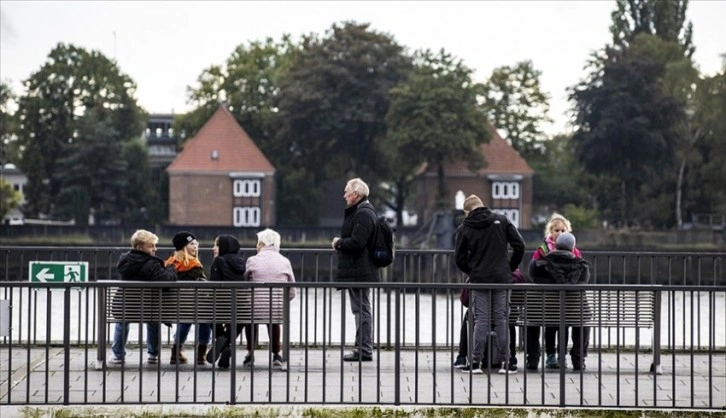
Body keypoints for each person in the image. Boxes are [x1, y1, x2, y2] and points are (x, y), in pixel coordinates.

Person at [454, 194, 525, 374]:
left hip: (479, 280)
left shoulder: (465, 227)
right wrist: (510, 266)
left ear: (468, 211)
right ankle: (507, 363)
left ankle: (475, 363)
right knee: (501, 320)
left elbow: (459, 258)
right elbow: (520, 245)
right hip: (502, 279)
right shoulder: (502, 220)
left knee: (481, 320)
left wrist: (472, 270)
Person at [526, 231, 591, 371]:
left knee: (531, 319)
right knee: (583, 317)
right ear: (573, 248)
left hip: (542, 314)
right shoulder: (582, 267)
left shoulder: (537, 265)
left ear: (555, 246)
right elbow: (584, 284)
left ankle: (532, 358)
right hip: (571, 315)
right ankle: (578, 359)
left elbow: (531, 278)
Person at [111, 229, 177, 365]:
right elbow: (166, 282)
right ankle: (153, 354)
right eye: (151, 246)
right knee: (153, 320)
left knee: (122, 321)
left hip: (125, 308)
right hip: (148, 308)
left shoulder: (125, 261)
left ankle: (118, 355)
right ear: (140, 248)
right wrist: (170, 267)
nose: (155, 249)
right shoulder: (151, 264)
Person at [332, 178, 380, 362]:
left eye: (347, 192)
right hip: (360, 269)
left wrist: (338, 243)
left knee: (361, 310)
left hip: (360, 270)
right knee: (361, 309)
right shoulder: (363, 211)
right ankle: (362, 347)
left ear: (356, 194)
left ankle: (364, 349)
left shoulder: (363, 214)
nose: (344, 195)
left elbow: (358, 242)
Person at [242, 228, 296, 370]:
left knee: (251, 320)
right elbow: (292, 290)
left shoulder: (252, 260)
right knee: (274, 319)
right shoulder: (285, 261)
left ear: (261, 244)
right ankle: (276, 354)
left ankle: (250, 353)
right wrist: (282, 302)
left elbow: (245, 283)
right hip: (277, 307)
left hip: (255, 307)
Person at [454, 269, 524, 370]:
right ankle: (510, 357)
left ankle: (464, 357)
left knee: (469, 316)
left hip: (482, 315)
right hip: (504, 314)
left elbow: (465, 301)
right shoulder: (512, 275)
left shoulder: (476, 272)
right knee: (507, 319)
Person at [164, 231, 211, 365]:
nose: (195, 246)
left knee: (185, 319)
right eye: (191, 244)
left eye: (196, 243)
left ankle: (176, 350)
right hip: (194, 306)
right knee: (206, 318)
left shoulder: (169, 264)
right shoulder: (194, 265)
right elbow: (203, 287)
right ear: (183, 247)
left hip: (175, 308)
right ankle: (201, 353)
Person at [205, 234, 247, 368]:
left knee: (209, 312)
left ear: (224, 247)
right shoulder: (242, 262)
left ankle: (222, 339)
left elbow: (214, 285)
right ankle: (227, 343)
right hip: (240, 308)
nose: (213, 248)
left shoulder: (219, 261)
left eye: (216, 245)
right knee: (242, 318)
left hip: (220, 306)